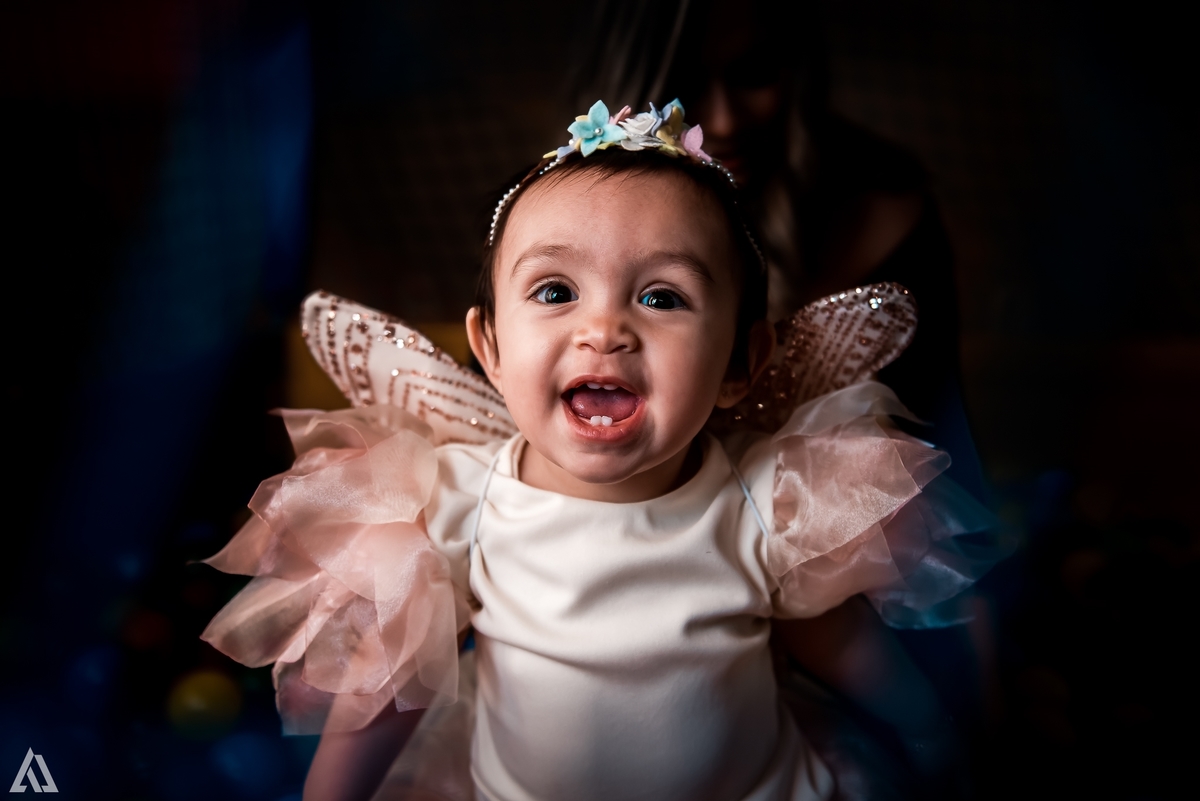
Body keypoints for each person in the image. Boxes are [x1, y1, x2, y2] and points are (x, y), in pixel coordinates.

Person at [201, 101, 1002, 801]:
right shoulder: (458, 507)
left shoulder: (763, 499)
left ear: (738, 366)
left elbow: (834, 640)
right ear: (491, 350)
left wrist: (929, 728)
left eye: (662, 297)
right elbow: (390, 687)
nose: (605, 328)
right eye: (556, 291)